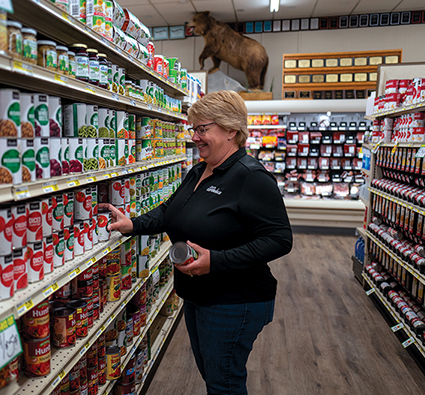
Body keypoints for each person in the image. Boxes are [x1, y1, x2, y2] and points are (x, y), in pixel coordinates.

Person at [100, 90, 292, 395]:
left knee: (223, 384)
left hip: (234, 300)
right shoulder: (200, 170)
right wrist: (132, 224)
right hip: (198, 295)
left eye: (203, 129)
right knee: (213, 374)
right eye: (194, 130)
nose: (195, 138)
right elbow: (169, 211)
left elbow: (280, 240)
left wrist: (216, 261)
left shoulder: (251, 177)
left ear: (231, 130)